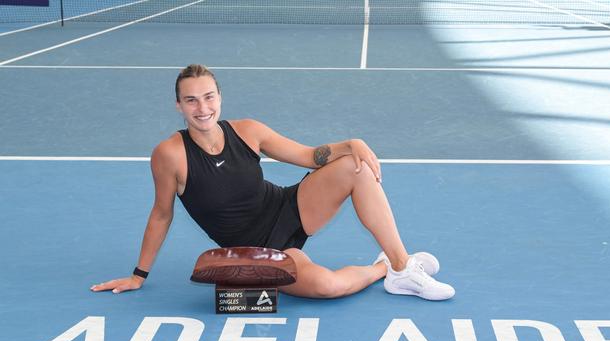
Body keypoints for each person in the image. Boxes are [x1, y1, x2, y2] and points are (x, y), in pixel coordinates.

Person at [91, 64, 455, 301]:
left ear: (220, 98)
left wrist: (350, 144)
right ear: (179, 106)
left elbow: (310, 157)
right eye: (191, 101)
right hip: (260, 252)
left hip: (288, 208)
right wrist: (138, 275)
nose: (202, 108)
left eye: (208, 97)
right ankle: (383, 270)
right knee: (327, 287)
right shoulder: (169, 155)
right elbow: (161, 214)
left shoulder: (248, 130)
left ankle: (402, 265)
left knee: (354, 166)